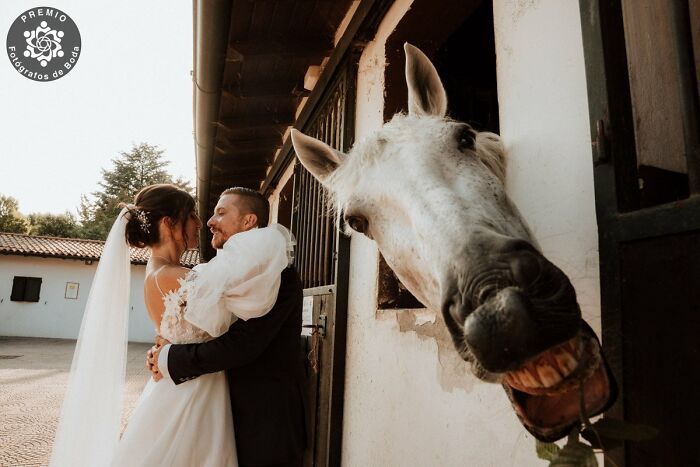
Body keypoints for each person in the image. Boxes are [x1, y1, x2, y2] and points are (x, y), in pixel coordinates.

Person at [147, 187, 307, 467]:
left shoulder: (277, 275)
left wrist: (169, 358)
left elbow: (244, 345)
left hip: (261, 424)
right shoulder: (223, 275)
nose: (209, 221)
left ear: (249, 222)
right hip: (211, 416)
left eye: (221, 213)